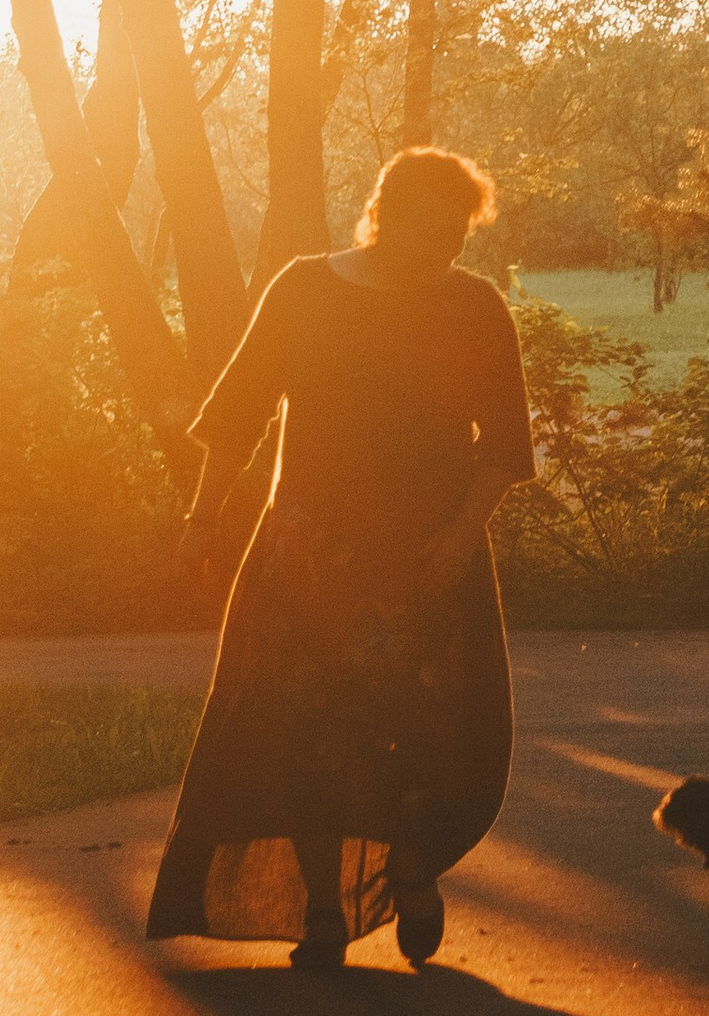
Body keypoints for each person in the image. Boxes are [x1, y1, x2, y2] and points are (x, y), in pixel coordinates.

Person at [146, 146, 534, 969]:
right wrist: (203, 518)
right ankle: (322, 911)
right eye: (436, 232)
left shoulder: (474, 307)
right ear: (386, 217)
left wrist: (465, 532)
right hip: (308, 552)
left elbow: (503, 443)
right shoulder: (305, 289)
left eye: (460, 235)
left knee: (419, 725)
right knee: (303, 730)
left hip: (426, 552)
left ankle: (413, 867)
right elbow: (237, 416)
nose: (451, 252)